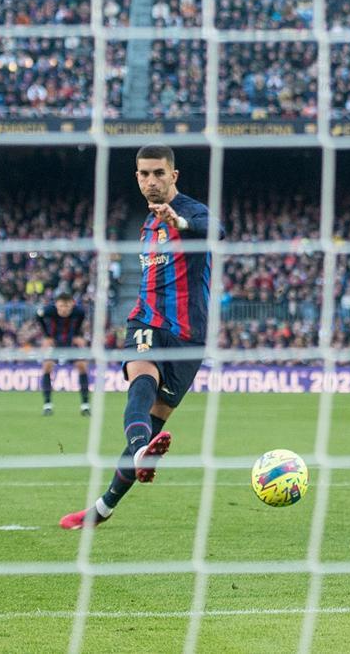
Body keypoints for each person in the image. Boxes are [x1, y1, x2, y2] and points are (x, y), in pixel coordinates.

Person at [60, 144, 222, 529]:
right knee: (141, 379)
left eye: (158, 173)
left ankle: (102, 509)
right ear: (137, 177)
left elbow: (215, 230)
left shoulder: (191, 211)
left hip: (188, 338)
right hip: (146, 322)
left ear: (173, 176)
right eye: (144, 174)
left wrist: (179, 222)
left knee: (154, 421)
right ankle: (139, 453)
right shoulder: (147, 225)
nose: (151, 181)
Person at [35, 292, 90, 416]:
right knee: (47, 366)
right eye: (61, 306)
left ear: (72, 304)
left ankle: (85, 405)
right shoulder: (48, 311)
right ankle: (47, 405)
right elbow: (38, 316)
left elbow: (80, 322)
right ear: (56, 305)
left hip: (70, 342)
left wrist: (77, 335)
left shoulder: (79, 312)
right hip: (54, 342)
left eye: (67, 306)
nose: (64, 309)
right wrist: (47, 336)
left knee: (82, 366)